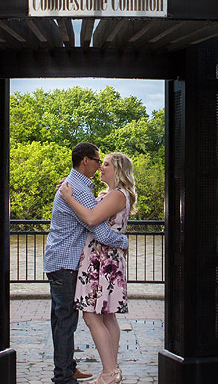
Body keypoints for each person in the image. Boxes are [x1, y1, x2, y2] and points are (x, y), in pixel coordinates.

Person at [44, 143, 129, 384]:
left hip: (62, 260)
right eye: (97, 160)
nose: (99, 165)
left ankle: (67, 368)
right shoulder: (77, 190)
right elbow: (98, 229)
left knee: (62, 319)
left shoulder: (77, 186)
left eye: (105, 163)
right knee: (66, 320)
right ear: (85, 161)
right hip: (65, 261)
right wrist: (123, 240)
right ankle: (64, 376)